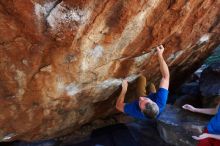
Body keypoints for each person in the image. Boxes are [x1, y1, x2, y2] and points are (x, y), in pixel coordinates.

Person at [116, 45, 169, 120]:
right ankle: (150, 89)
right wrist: (160, 55)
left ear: (141, 111)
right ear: (154, 102)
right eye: (146, 99)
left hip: (149, 103)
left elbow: (118, 106)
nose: (141, 98)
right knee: (151, 86)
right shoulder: (161, 101)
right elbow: (165, 77)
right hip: (154, 97)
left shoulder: (135, 111)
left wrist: (124, 89)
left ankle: (146, 86)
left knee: (141, 78)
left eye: (140, 102)